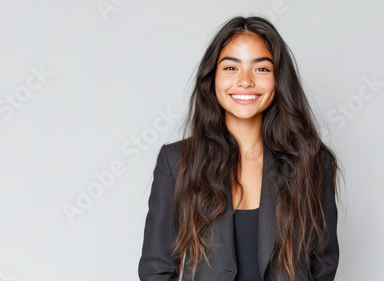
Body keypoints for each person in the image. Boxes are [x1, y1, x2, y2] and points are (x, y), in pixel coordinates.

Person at [138, 16, 342, 281]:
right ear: (212, 77)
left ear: (279, 80)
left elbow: (323, 264)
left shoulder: (313, 161)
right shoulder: (177, 162)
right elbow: (156, 268)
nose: (245, 81)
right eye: (231, 68)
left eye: (261, 69)